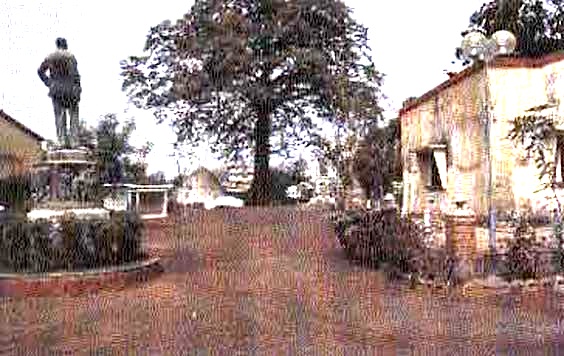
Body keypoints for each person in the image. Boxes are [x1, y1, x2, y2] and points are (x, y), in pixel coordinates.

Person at [38, 37, 82, 148]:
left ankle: (61, 141)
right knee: (73, 116)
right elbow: (75, 74)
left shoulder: (50, 56)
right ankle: (74, 142)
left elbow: (40, 71)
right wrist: (78, 88)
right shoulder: (70, 56)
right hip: (70, 89)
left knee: (59, 116)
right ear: (65, 44)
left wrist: (49, 83)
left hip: (56, 89)